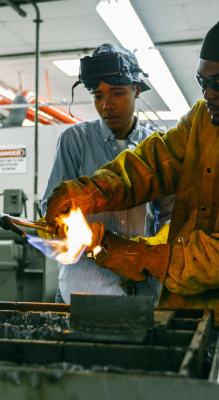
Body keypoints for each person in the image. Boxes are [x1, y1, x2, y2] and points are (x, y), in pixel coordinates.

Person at [44, 10, 219, 387]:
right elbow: (153, 162)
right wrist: (92, 190)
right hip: (197, 307)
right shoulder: (205, 118)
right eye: (203, 81)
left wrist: (136, 254)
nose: (208, 93)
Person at [41, 43, 169, 304]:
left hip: (142, 289)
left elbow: (169, 216)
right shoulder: (74, 141)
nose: (106, 105)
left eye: (117, 93)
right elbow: (51, 210)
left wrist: (144, 252)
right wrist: (79, 230)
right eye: (98, 96)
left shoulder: (156, 147)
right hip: (84, 286)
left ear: (137, 89)